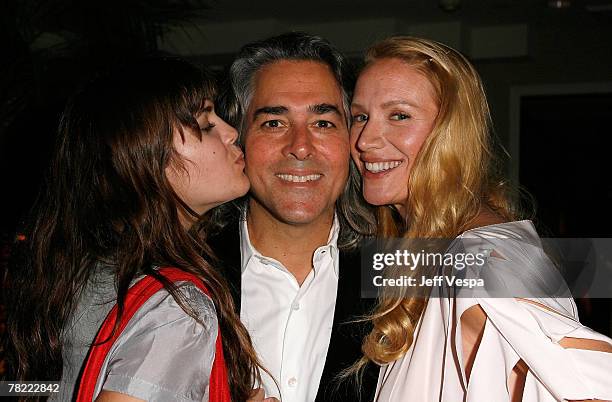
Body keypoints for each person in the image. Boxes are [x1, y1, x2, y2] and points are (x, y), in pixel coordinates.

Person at [349, 37, 612, 401]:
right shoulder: (438, 253)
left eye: (399, 115)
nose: (365, 139)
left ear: (451, 133)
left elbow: (593, 383)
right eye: (360, 116)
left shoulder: (481, 258)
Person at [3, 59, 275, 402]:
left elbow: (29, 388)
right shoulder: (175, 307)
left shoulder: (66, 274)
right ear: (145, 157)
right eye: (206, 124)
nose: (231, 132)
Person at [209, 32, 378, 402]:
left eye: (323, 123)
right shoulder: (182, 271)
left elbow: (522, 266)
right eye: (274, 123)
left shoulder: (399, 265)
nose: (300, 147)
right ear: (237, 139)